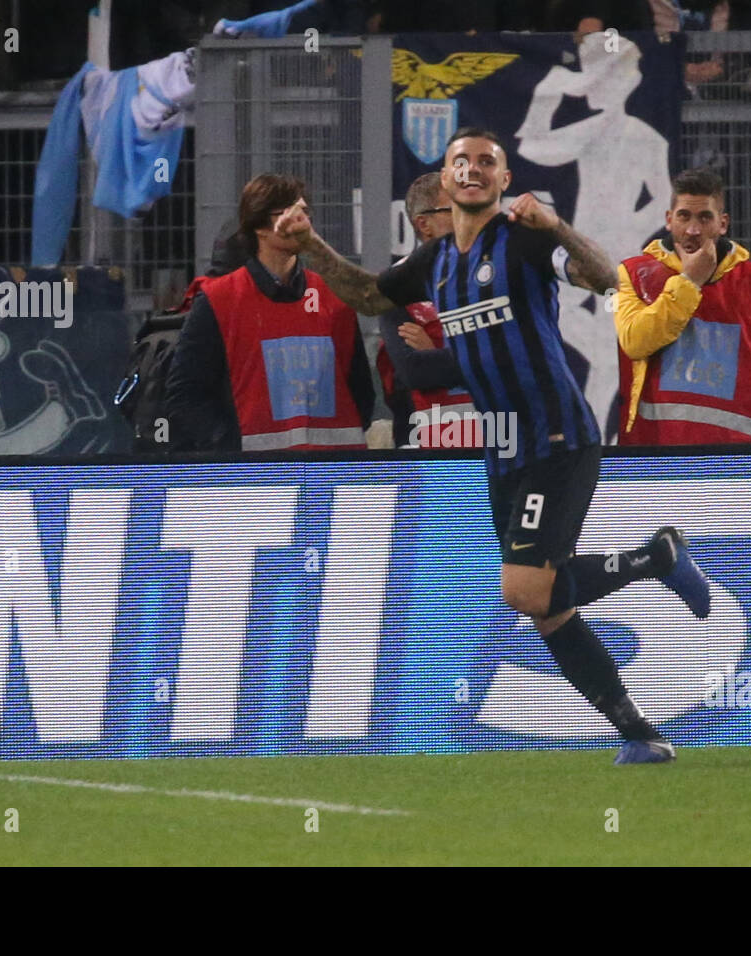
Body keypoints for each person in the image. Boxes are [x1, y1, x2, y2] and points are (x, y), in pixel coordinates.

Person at [276, 127, 712, 765]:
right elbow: (370, 293)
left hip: (558, 437)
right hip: (504, 449)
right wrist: (310, 243)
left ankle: (653, 562)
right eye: (461, 162)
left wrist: (557, 225)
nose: (473, 170)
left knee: (525, 590)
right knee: (548, 607)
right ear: (446, 180)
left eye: (487, 162)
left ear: (505, 180)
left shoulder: (526, 239)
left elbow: (604, 278)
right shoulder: (435, 262)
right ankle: (639, 734)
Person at [164, 173, 375, 451]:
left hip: (332, 472)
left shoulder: (334, 296)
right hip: (256, 482)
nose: (303, 222)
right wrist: (229, 445)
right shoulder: (219, 300)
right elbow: (185, 394)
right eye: (290, 213)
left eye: (305, 212)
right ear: (260, 227)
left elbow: (360, 388)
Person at [616, 167, 751, 445]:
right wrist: (689, 281)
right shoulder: (634, 274)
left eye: (705, 217)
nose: (693, 230)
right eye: (684, 216)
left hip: (735, 463)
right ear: (669, 220)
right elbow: (636, 342)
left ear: (723, 224)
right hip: (653, 459)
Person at [377, 173, 483, 449]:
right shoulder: (395, 285)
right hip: (429, 451)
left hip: (500, 446)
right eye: (456, 209)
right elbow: (416, 371)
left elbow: (515, 360)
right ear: (424, 224)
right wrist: (482, 354)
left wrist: (435, 349)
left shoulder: (494, 276)